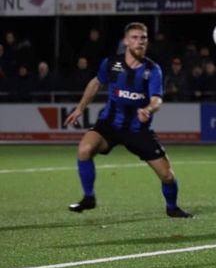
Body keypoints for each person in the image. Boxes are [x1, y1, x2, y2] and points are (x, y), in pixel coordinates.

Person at [64, 22, 191, 218]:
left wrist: (148, 109)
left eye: (143, 38)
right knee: (84, 149)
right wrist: (80, 108)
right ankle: (89, 198)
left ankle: (172, 208)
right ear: (125, 41)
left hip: (137, 129)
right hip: (110, 124)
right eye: (135, 37)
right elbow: (96, 82)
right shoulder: (111, 63)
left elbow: (157, 99)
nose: (140, 42)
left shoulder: (152, 70)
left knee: (167, 176)